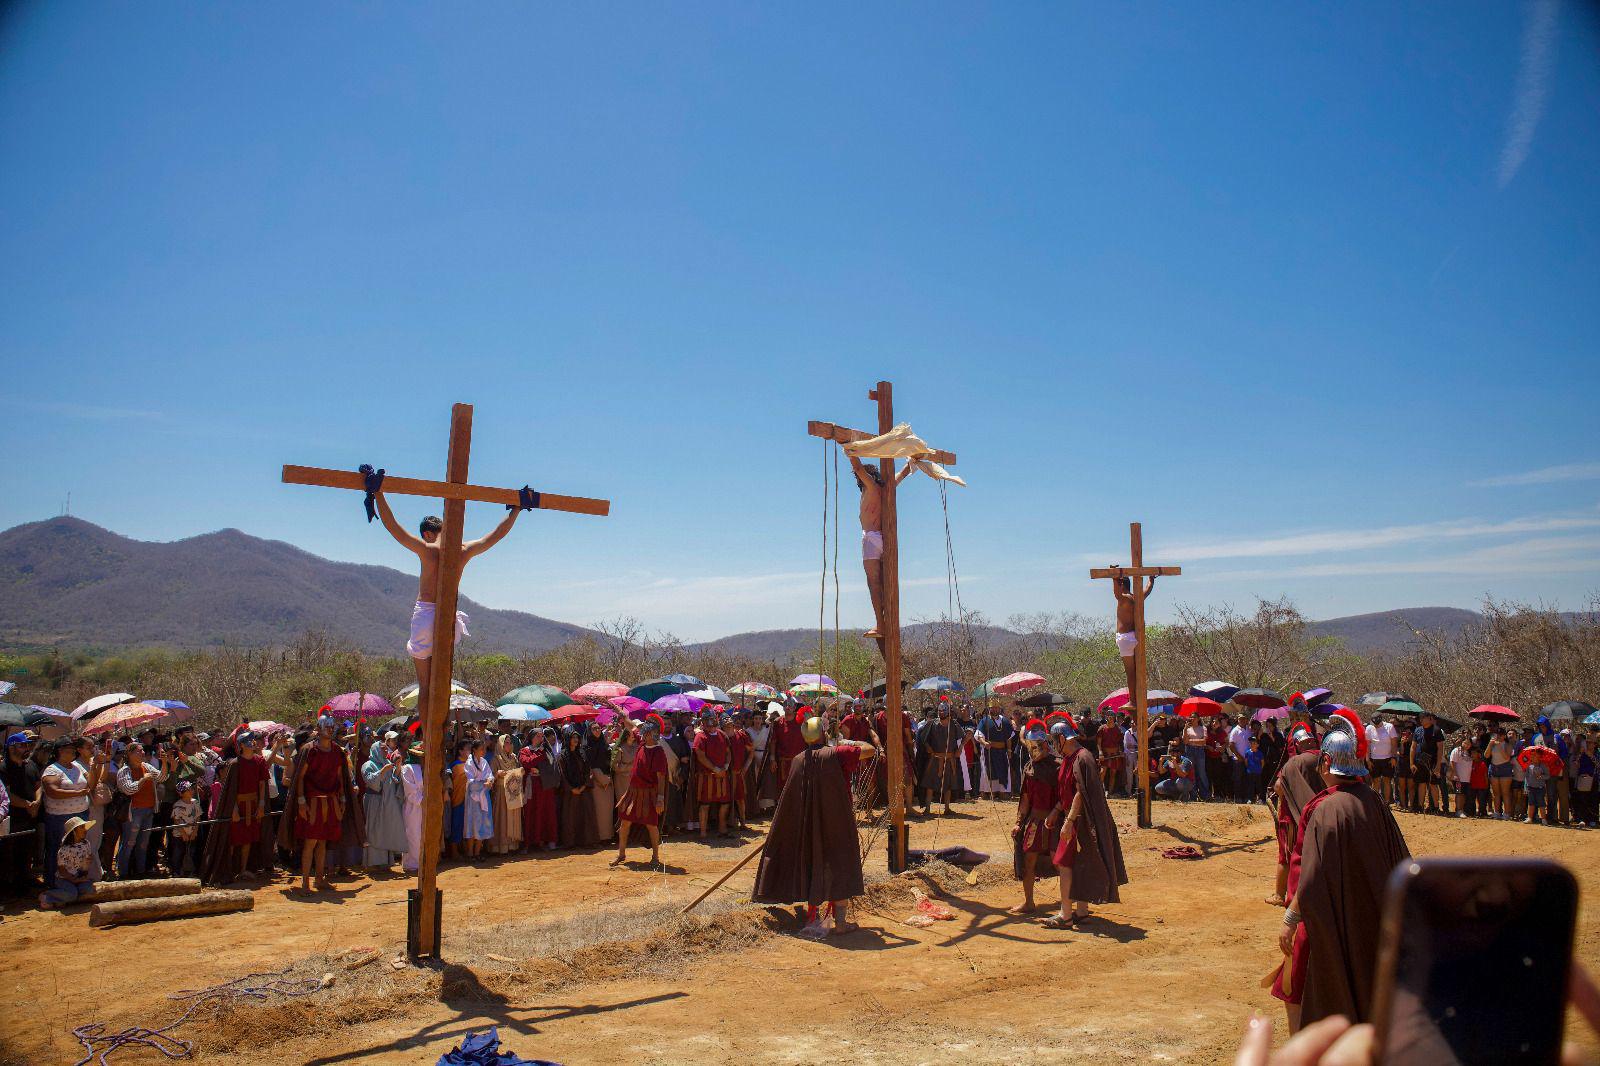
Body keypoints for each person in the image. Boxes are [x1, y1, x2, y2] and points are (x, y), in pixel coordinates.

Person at [1271, 719, 1411, 1032]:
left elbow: (1314, 872)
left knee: (1294, 987)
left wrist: (1291, 919)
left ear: (1326, 762)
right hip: (1371, 916)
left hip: (1326, 920)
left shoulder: (1324, 808)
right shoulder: (1375, 801)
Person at [372, 487, 523, 702]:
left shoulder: (428, 549)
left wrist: (378, 494)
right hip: (447, 616)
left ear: (427, 534)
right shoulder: (462, 550)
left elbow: (393, 527)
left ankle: (429, 736)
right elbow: (494, 536)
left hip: (426, 613)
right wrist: (515, 512)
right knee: (441, 684)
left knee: (425, 687)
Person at [752, 716, 876, 934]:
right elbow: (869, 750)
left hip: (808, 823)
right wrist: (845, 743)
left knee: (811, 862)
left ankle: (812, 916)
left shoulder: (799, 759)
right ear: (822, 733)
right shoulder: (837, 753)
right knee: (840, 864)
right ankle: (840, 923)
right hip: (836, 821)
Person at [1040, 717, 1127, 930]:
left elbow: (1081, 792)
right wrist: (1055, 811)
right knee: (1076, 863)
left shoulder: (1083, 758)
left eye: (1054, 740)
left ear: (1062, 738)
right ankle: (1081, 911)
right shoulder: (1070, 758)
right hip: (1072, 817)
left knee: (1065, 864)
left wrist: (1069, 821)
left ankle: (1066, 914)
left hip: (1080, 820)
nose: (1053, 745)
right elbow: (1066, 792)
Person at [279, 716, 362, 893]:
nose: (330, 730)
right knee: (310, 842)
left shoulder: (338, 752)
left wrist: (343, 799)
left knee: (323, 841)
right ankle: (305, 883)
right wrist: (301, 802)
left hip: (331, 802)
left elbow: (340, 777)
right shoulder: (309, 750)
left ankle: (319, 879)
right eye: (327, 727)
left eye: (332, 727)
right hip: (312, 803)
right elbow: (300, 778)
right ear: (319, 728)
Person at [846, 453, 914, 651]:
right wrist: (912, 463)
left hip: (871, 537)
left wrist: (850, 450)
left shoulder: (872, 488)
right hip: (886, 537)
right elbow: (902, 474)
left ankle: (881, 623)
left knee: (874, 583)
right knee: (885, 583)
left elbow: (859, 469)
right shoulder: (886, 488)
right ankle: (886, 622)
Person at [202, 731, 274, 885]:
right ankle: (230, 870)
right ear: (241, 745)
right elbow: (231, 789)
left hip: (254, 805)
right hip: (238, 806)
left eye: (253, 740)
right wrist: (233, 809)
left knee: (248, 839)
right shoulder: (235, 763)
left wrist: (261, 805)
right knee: (234, 840)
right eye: (249, 741)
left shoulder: (259, 761)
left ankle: (243, 870)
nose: (253, 743)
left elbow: (262, 784)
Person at [1267, 722, 1325, 908]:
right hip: (1321, 815)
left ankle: (1279, 894)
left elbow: (1278, 788)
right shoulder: (1326, 758)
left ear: (1298, 744)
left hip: (1293, 817)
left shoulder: (1295, 762)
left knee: (1286, 856)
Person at [1009, 720, 1057, 915]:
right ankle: (1029, 902)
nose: (1032, 751)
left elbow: (1065, 797)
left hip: (1056, 821)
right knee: (1029, 862)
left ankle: (1069, 904)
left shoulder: (1057, 767)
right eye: (1029, 747)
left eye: (1035, 747)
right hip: (1035, 822)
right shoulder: (1029, 768)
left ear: (1045, 745)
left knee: (1060, 862)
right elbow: (1026, 799)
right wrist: (1018, 822)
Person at [613, 719, 670, 867]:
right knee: (625, 823)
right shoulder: (642, 745)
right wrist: (619, 712)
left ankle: (655, 857)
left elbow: (661, 776)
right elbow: (630, 725)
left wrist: (660, 798)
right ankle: (621, 854)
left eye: (648, 732)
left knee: (651, 825)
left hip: (649, 794)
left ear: (652, 734)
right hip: (633, 792)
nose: (643, 734)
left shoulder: (659, 752)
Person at [38, 740, 91, 891]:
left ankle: (76, 880)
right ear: (60, 751)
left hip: (80, 814)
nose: (73, 753)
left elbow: (91, 784)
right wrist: (77, 793)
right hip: (59, 817)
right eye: (70, 750)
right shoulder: (52, 769)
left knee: (78, 849)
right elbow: (52, 791)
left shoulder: (78, 766)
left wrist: (98, 765)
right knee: (58, 848)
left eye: (74, 751)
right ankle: (53, 882)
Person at [115, 741, 165, 880]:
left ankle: (140, 871)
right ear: (130, 754)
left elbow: (162, 777)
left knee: (143, 843)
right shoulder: (124, 770)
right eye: (139, 751)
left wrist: (166, 763)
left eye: (142, 750)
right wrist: (143, 780)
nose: (143, 753)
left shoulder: (146, 766)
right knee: (129, 843)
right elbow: (128, 789)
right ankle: (124, 872)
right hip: (134, 811)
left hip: (148, 810)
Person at [362, 738, 409, 869]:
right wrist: (382, 771)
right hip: (374, 801)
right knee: (373, 830)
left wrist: (398, 766)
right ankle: (373, 862)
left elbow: (394, 779)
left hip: (387, 802)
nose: (385, 750)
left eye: (385, 748)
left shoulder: (387, 762)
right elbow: (370, 780)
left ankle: (385, 862)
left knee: (385, 829)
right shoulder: (368, 764)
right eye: (382, 748)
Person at [1107, 569, 1155, 695]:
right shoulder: (1137, 598)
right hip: (1135, 637)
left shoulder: (1124, 599)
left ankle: (1133, 699)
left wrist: (1114, 578)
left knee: (1130, 673)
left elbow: (1116, 593)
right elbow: (1148, 590)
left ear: (1122, 585)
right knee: (1137, 671)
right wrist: (1151, 579)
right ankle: (1138, 697)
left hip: (1125, 639)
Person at [38, 816, 97, 910]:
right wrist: (74, 880)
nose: (85, 830)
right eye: (81, 827)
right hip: (63, 879)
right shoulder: (64, 849)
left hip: (77, 876)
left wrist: (83, 876)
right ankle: (47, 896)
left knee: (89, 889)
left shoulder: (86, 844)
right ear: (74, 831)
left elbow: (85, 865)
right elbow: (62, 871)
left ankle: (61, 899)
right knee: (72, 894)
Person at [692, 713, 732, 838]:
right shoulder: (700, 736)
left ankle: (722, 829)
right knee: (705, 804)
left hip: (722, 775)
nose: (710, 724)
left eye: (712, 720)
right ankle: (703, 833)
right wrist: (715, 768)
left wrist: (725, 766)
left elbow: (728, 753)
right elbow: (700, 756)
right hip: (707, 776)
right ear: (703, 722)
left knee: (725, 803)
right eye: (707, 721)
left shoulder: (722, 735)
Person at [918, 704, 962, 816]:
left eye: (943, 711)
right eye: (940, 711)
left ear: (947, 712)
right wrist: (929, 748)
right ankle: (927, 808)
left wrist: (960, 749)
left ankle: (947, 808)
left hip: (949, 759)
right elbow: (923, 738)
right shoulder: (932, 723)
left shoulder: (954, 724)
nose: (941, 713)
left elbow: (966, 735)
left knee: (948, 785)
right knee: (930, 784)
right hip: (935, 758)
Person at [520, 730, 560, 851]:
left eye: (542, 736)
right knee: (530, 813)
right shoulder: (525, 750)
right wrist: (538, 754)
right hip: (531, 786)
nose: (541, 738)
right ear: (532, 737)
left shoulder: (546, 750)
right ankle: (528, 843)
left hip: (545, 786)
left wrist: (540, 771)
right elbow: (527, 763)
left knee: (546, 813)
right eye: (538, 736)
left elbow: (552, 767)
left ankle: (547, 840)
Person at [976, 706, 1016, 801]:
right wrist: (984, 743)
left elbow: (1009, 738)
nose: (995, 710)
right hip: (989, 751)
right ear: (989, 709)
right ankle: (991, 793)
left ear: (999, 709)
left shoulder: (1005, 721)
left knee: (1003, 771)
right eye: (993, 708)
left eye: (997, 708)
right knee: (990, 771)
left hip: (1002, 752)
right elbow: (979, 735)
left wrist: (1009, 750)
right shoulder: (984, 721)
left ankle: (1002, 792)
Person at [1410, 712, 1445, 815]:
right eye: (1420, 718)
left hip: (1433, 761)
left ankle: (1435, 807)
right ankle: (1420, 806)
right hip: (1420, 761)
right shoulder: (1418, 730)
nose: (1421, 720)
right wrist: (1411, 763)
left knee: (1433, 784)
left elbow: (1440, 748)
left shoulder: (1437, 730)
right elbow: (1413, 747)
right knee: (1421, 783)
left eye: (1423, 718)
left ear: (1429, 718)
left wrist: (1438, 765)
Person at [168, 779, 202, 877]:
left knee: (191, 852)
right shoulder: (177, 805)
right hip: (179, 835)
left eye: (191, 788)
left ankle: (190, 871)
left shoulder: (195, 802)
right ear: (182, 793)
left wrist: (195, 832)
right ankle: (176, 871)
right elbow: (176, 820)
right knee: (178, 853)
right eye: (189, 789)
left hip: (192, 834)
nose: (192, 790)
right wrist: (183, 833)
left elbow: (198, 817)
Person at [1365, 713, 1398, 804]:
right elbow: (1367, 745)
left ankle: (1386, 802)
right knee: (1375, 781)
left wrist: (1393, 757)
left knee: (1387, 780)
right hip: (1374, 758)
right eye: (1374, 723)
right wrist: (1367, 759)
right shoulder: (1369, 728)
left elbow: (1394, 743)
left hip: (1387, 758)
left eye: (1377, 723)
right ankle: (1375, 802)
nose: (1376, 725)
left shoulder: (1389, 727)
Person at [1486, 726, 1515, 819]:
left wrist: (1499, 745)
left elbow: (1507, 757)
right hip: (1494, 768)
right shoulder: (1492, 743)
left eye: (1500, 735)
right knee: (1496, 793)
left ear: (1503, 736)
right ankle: (1497, 812)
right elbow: (1486, 756)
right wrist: (1490, 745)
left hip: (1505, 768)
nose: (1498, 736)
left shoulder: (1508, 745)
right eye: (1496, 734)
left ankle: (1506, 813)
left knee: (1505, 793)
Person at [1181, 713, 1211, 801]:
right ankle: (1193, 795)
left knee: (1202, 773)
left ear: (1198, 718)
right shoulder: (1187, 729)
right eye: (1191, 717)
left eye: (1194, 717)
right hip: (1189, 750)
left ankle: (1205, 795)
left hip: (1200, 751)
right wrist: (1185, 729)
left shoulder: (1203, 728)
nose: (1192, 719)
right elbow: (1185, 741)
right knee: (1191, 773)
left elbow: (1204, 741)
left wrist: (1191, 740)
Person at [1447, 739, 1474, 819]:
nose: (1467, 745)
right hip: (1458, 778)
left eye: (1469, 743)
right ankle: (1458, 810)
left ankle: (1462, 810)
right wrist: (1455, 774)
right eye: (1465, 743)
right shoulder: (1456, 751)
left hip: (1467, 778)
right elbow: (1452, 762)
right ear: (1462, 742)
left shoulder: (1469, 753)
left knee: (1464, 794)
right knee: (1459, 793)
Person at [1097, 717, 1124, 796]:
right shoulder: (1102, 728)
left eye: (1111, 717)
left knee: (1113, 773)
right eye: (1108, 717)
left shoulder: (1118, 729)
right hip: (1105, 754)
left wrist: (1121, 751)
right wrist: (1100, 752)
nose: (1110, 719)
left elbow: (1120, 742)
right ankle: (1099, 792)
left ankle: (1110, 793)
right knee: (1102, 772)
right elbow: (1099, 743)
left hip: (1115, 754)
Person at [1244, 736, 1265, 803]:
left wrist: (1259, 769)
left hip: (1258, 772)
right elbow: (1246, 762)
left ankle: (1259, 799)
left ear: (1258, 745)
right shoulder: (1247, 752)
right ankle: (1250, 799)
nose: (1252, 744)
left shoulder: (1260, 753)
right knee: (1250, 785)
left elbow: (1262, 762)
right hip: (1250, 772)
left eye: (1254, 743)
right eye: (1251, 743)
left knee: (1258, 786)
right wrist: (1249, 768)